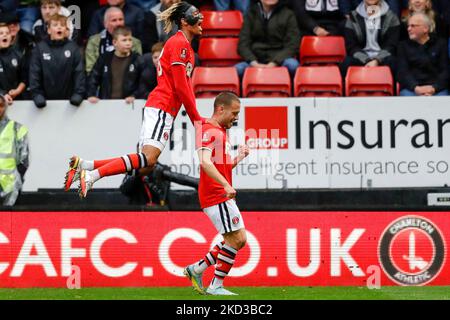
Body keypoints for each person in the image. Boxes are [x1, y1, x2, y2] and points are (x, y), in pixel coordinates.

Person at [64, 1, 205, 198]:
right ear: (183, 21)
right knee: (148, 159)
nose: (201, 18)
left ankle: (87, 166)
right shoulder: (180, 44)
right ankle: (92, 175)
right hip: (163, 106)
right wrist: (197, 119)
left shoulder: (181, 44)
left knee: (147, 162)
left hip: (161, 106)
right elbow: (182, 87)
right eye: (195, 14)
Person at [184, 92, 249, 296]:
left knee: (238, 239)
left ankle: (196, 269)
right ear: (221, 109)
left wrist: (238, 157)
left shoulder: (220, 132)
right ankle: (215, 286)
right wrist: (225, 185)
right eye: (234, 113)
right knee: (236, 240)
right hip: (216, 195)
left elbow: (222, 167)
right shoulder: (210, 131)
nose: (236, 118)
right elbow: (205, 161)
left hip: (221, 193)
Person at [29, 14, 85, 108]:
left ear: (66, 30)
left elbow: (79, 73)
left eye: (62, 25)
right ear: (49, 30)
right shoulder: (39, 48)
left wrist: (78, 94)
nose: (59, 27)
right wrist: (37, 95)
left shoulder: (73, 48)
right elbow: (35, 73)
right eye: (55, 25)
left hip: (70, 103)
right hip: (44, 103)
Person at [236, 0, 300, 79]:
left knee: (293, 65)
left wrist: (274, 63)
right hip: (255, 60)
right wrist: (254, 63)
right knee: (237, 70)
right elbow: (243, 44)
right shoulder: (251, 14)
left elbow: (293, 45)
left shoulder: (288, 15)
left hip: (280, 60)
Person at [340, 0, 400, 78]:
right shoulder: (353, 17)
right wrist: (367, 60)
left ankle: (391, 89)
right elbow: (351, 47)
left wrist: (377, 60)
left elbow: (391, 46)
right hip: (361, 57)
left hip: (383, 57)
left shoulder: (392, 17)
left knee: (395, 63)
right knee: (346, 63)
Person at [87, 26, 142, 104]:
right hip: (107, 104)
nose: (128, 43)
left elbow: (142, 83)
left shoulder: (137, 59)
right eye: (124, 40)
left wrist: (134, 95)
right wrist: (92, 94)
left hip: (129, 105)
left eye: (130, 40)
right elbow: (94, 78)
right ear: (114, 42)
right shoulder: (105, 58)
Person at [397, 12, 448, 96]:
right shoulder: (403, 46)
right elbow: (402, 72)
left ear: (425, 29)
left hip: (436, 89)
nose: (408, 29)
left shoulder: (440, 44)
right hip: (412, 89)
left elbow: (445, 71)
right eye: (408, 26)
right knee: (406, 98)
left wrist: (434, 88)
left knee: (443, 100)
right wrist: (416, 88)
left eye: (413, 26)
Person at [85, 6, 142, 74]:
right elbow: (90, 69)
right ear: (105, 24)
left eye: (121, 19)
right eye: (114, 20)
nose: (118, 23)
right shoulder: (94, 41)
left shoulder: (135, 42)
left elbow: (138, 69)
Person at [0, 94, 29, 206]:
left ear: (5, 107)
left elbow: (24, 159)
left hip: (10, 185)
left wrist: (18, 178)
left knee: (9, 221)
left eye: (1, 105)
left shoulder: (17, 128)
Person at [0, 24, 27, 103]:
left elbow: (24, 78)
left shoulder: (18, 55)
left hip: (17, 100)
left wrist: (18, 90)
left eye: (7, 33)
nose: (5, 35)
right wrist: (2, 94)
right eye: (1, 33)